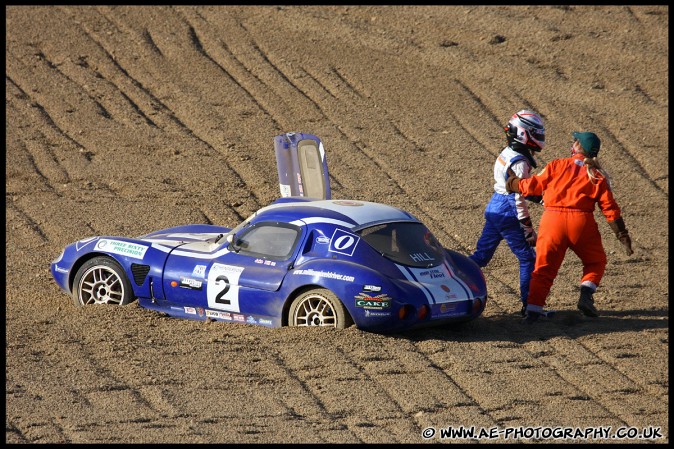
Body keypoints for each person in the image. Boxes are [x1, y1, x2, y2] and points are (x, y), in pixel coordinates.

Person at [506, 131, 634, 323]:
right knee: (595, 261)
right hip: (582, 223)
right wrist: (622, 235)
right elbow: (610, 208)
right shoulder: (597, 175)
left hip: (552, 221)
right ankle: (586, 293)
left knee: (544, 269)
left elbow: (532, 186)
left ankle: (532, 311)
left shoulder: (557, 164)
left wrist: (513, 183)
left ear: (576, 146)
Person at [469, 110, 546, 316]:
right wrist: (527, 226)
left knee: (481, 257)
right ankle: (529, 307)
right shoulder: (521, 162)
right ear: (524, 134)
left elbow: (515, 189)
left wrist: (541, 199)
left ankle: (452, 276)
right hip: (508, 213)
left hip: (494, 206)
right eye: (536, 134)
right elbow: (518, 197)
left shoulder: (507, 153)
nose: (540, 138)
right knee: (528, 258)